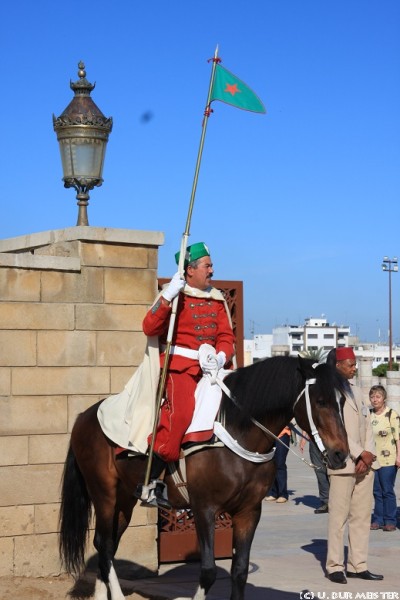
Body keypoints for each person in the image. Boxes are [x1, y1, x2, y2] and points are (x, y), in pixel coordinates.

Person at [134, 242, 235, 508]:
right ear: (189, 270)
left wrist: (222, 355)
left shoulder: (217, 297)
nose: (212, 270)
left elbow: (226, 336)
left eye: (211, 265)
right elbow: (149, 327)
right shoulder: (175, 295)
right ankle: (155, 482)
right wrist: (168, 296)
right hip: (180, 367)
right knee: (180, 415)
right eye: (207, 266)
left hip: (212, 368)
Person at [325, 347, 383, 584]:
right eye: (350, 364)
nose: (354, 367)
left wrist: (368, 454)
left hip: (365, 465)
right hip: (343, 464)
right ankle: (335, 566)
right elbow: (337, 430)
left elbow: (368, 425)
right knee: (338, 519)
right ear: (338, 365)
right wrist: (359, 454)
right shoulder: (330, 393)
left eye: (355, 363)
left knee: (360, 518)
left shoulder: (358, 391)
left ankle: (358, 565)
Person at [369, 384, 400, 532]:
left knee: (387, 490)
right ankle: (378, 519)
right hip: (374, 460)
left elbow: (398, 437)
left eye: (378, 397)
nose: (375, 400)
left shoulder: (391, 414)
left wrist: (399, 456)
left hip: (389, 459)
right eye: (372, 397)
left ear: (384, 399)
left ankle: (390, 520)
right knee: (376, 490)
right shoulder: (369, 415)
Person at [299, 432, 329, 513]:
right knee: (319, 470)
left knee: (333, 471)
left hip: (330, 437)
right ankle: (326, 502)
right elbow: (307, 420)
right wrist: (303, 437)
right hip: (314, 439)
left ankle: (337, 501)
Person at [265, 425, 291, 503]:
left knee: (280, 463)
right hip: (269, 436)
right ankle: (273, 492)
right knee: (271, 464)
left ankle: (283, 494)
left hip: (282, 435)